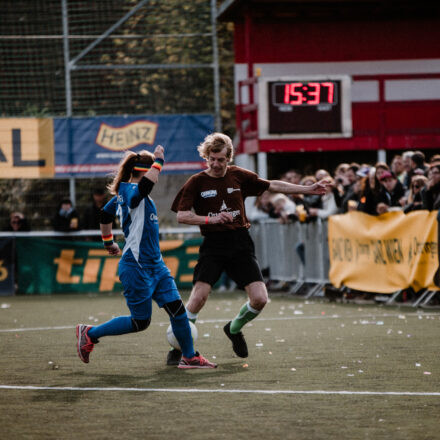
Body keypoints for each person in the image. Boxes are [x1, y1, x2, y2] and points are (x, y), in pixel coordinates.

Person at [169, 132, 329, 363]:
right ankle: (178, 348)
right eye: (212, 159)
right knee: (198, 298)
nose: (216, 164)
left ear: (229, 158)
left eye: (221, 160)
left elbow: (271, 185)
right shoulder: (196, 182)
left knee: (260, 299)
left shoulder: (238, 176)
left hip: (240, 243)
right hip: (213, 245)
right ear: (206, 157)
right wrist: (210, 220)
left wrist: (307, 189)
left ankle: (233, 329)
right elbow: (182, 216)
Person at [75, 146, 216, 369]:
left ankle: (189, 356)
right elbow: (139, 190)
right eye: (154, 170)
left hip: (156, 267)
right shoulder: (132, 191)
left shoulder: (130, 193)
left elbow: (105, 214)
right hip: (136, 267)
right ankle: (90, 333)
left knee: (178, 311)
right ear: (146, 170)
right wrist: (159, 161)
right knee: (140, 322)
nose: (158, 175)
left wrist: (108, 241)